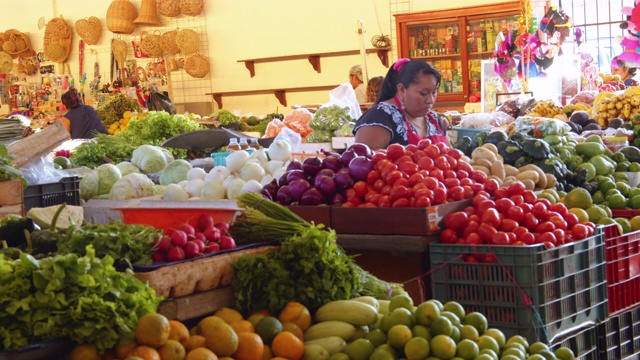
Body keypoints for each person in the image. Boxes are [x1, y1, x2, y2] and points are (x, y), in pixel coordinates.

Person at [353, 58, 448, 150]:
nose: (430, 100)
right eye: (423, 93)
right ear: (402, 90)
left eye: (434, 92)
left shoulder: (434, 119)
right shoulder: (379, 117)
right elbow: (364, 160)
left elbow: (450, 157)